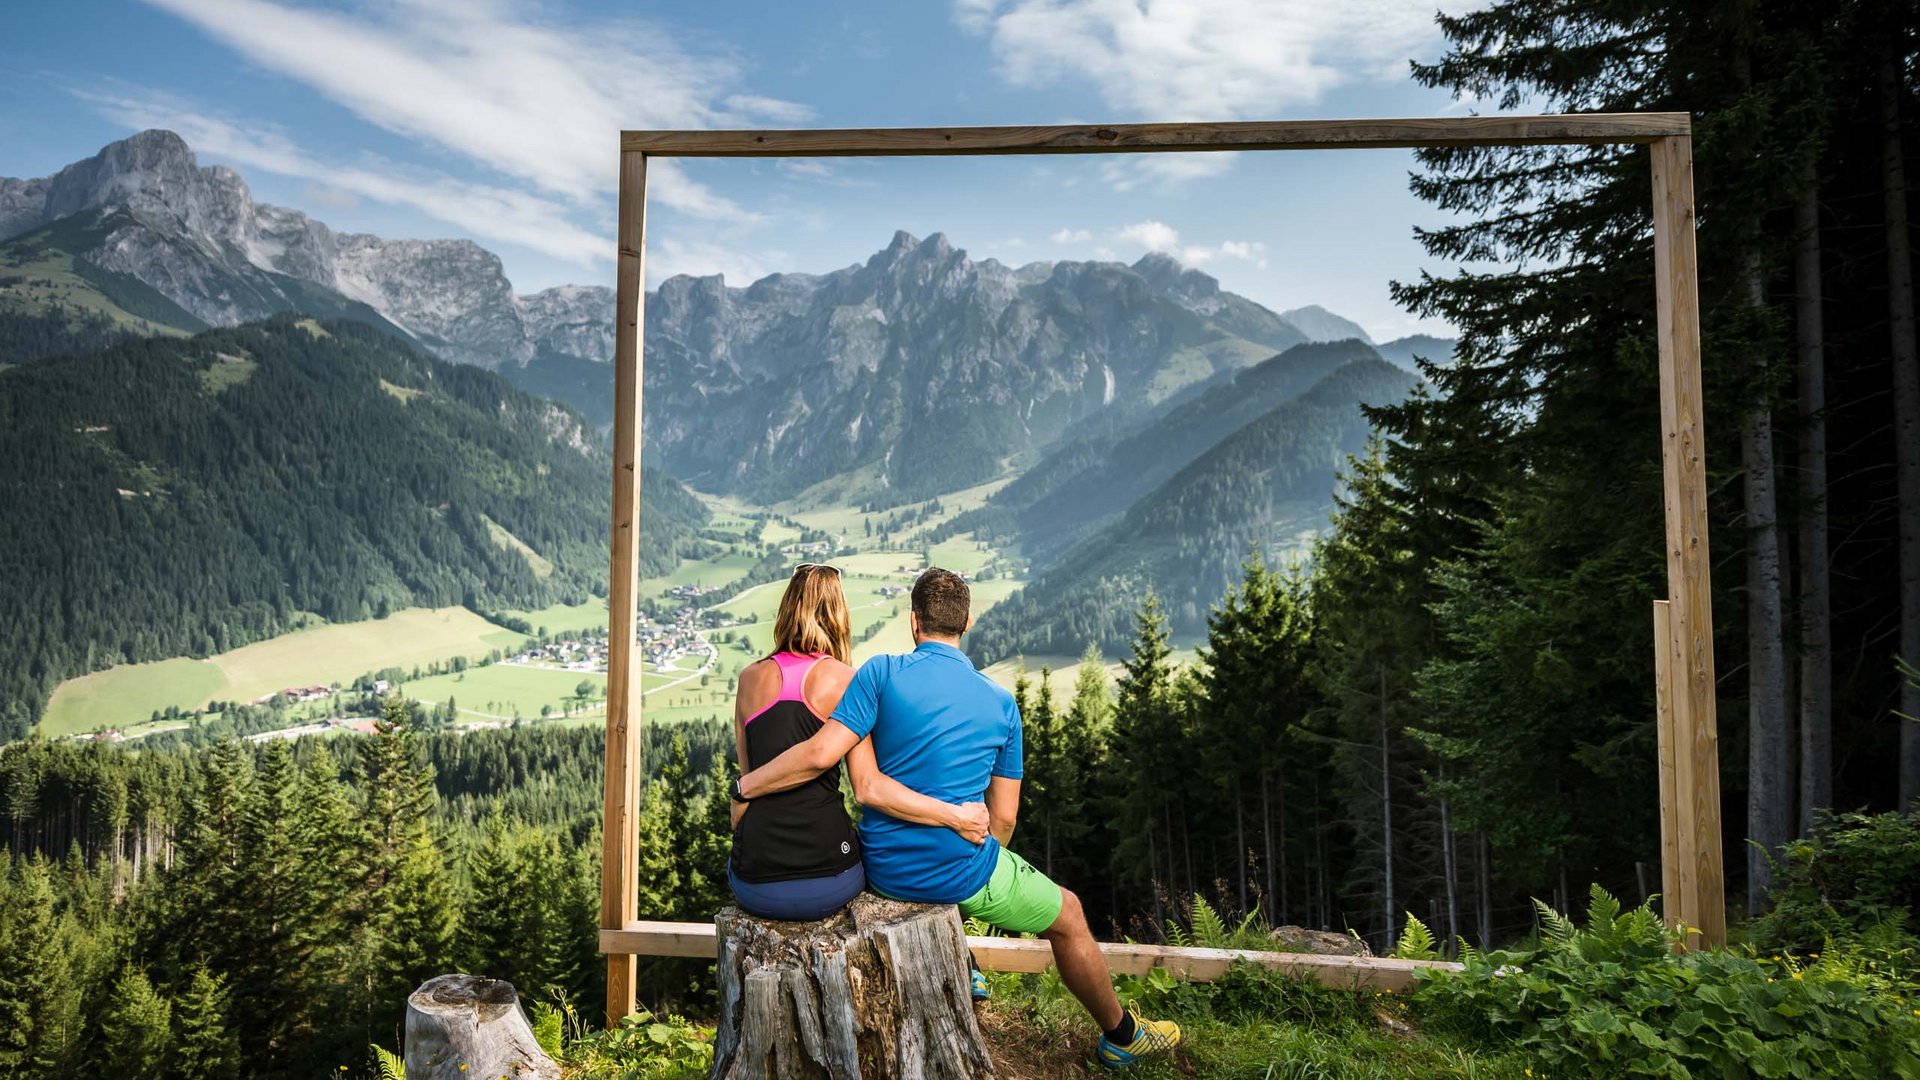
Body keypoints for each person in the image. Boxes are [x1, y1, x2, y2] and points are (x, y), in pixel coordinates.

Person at [737, 567, 1182, 1068]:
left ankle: (966, 963)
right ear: (967, 622)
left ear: (913, 621)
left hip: (882, 873)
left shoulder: (878, 674)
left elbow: (857, 780)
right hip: (959, 868)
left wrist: (745, 787)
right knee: (1070, 916)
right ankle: (1121, 1036)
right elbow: (1005, 818)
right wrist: (972, 843)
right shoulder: (1000, 703)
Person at [725, 563, 989, 922]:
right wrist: (955, 816)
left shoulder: (748, 679)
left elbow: (751, 779)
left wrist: (742, 791)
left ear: (786, 609)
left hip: (752, 879)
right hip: (830, 877)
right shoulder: (847, 680)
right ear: (839, 616)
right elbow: (866, 783)